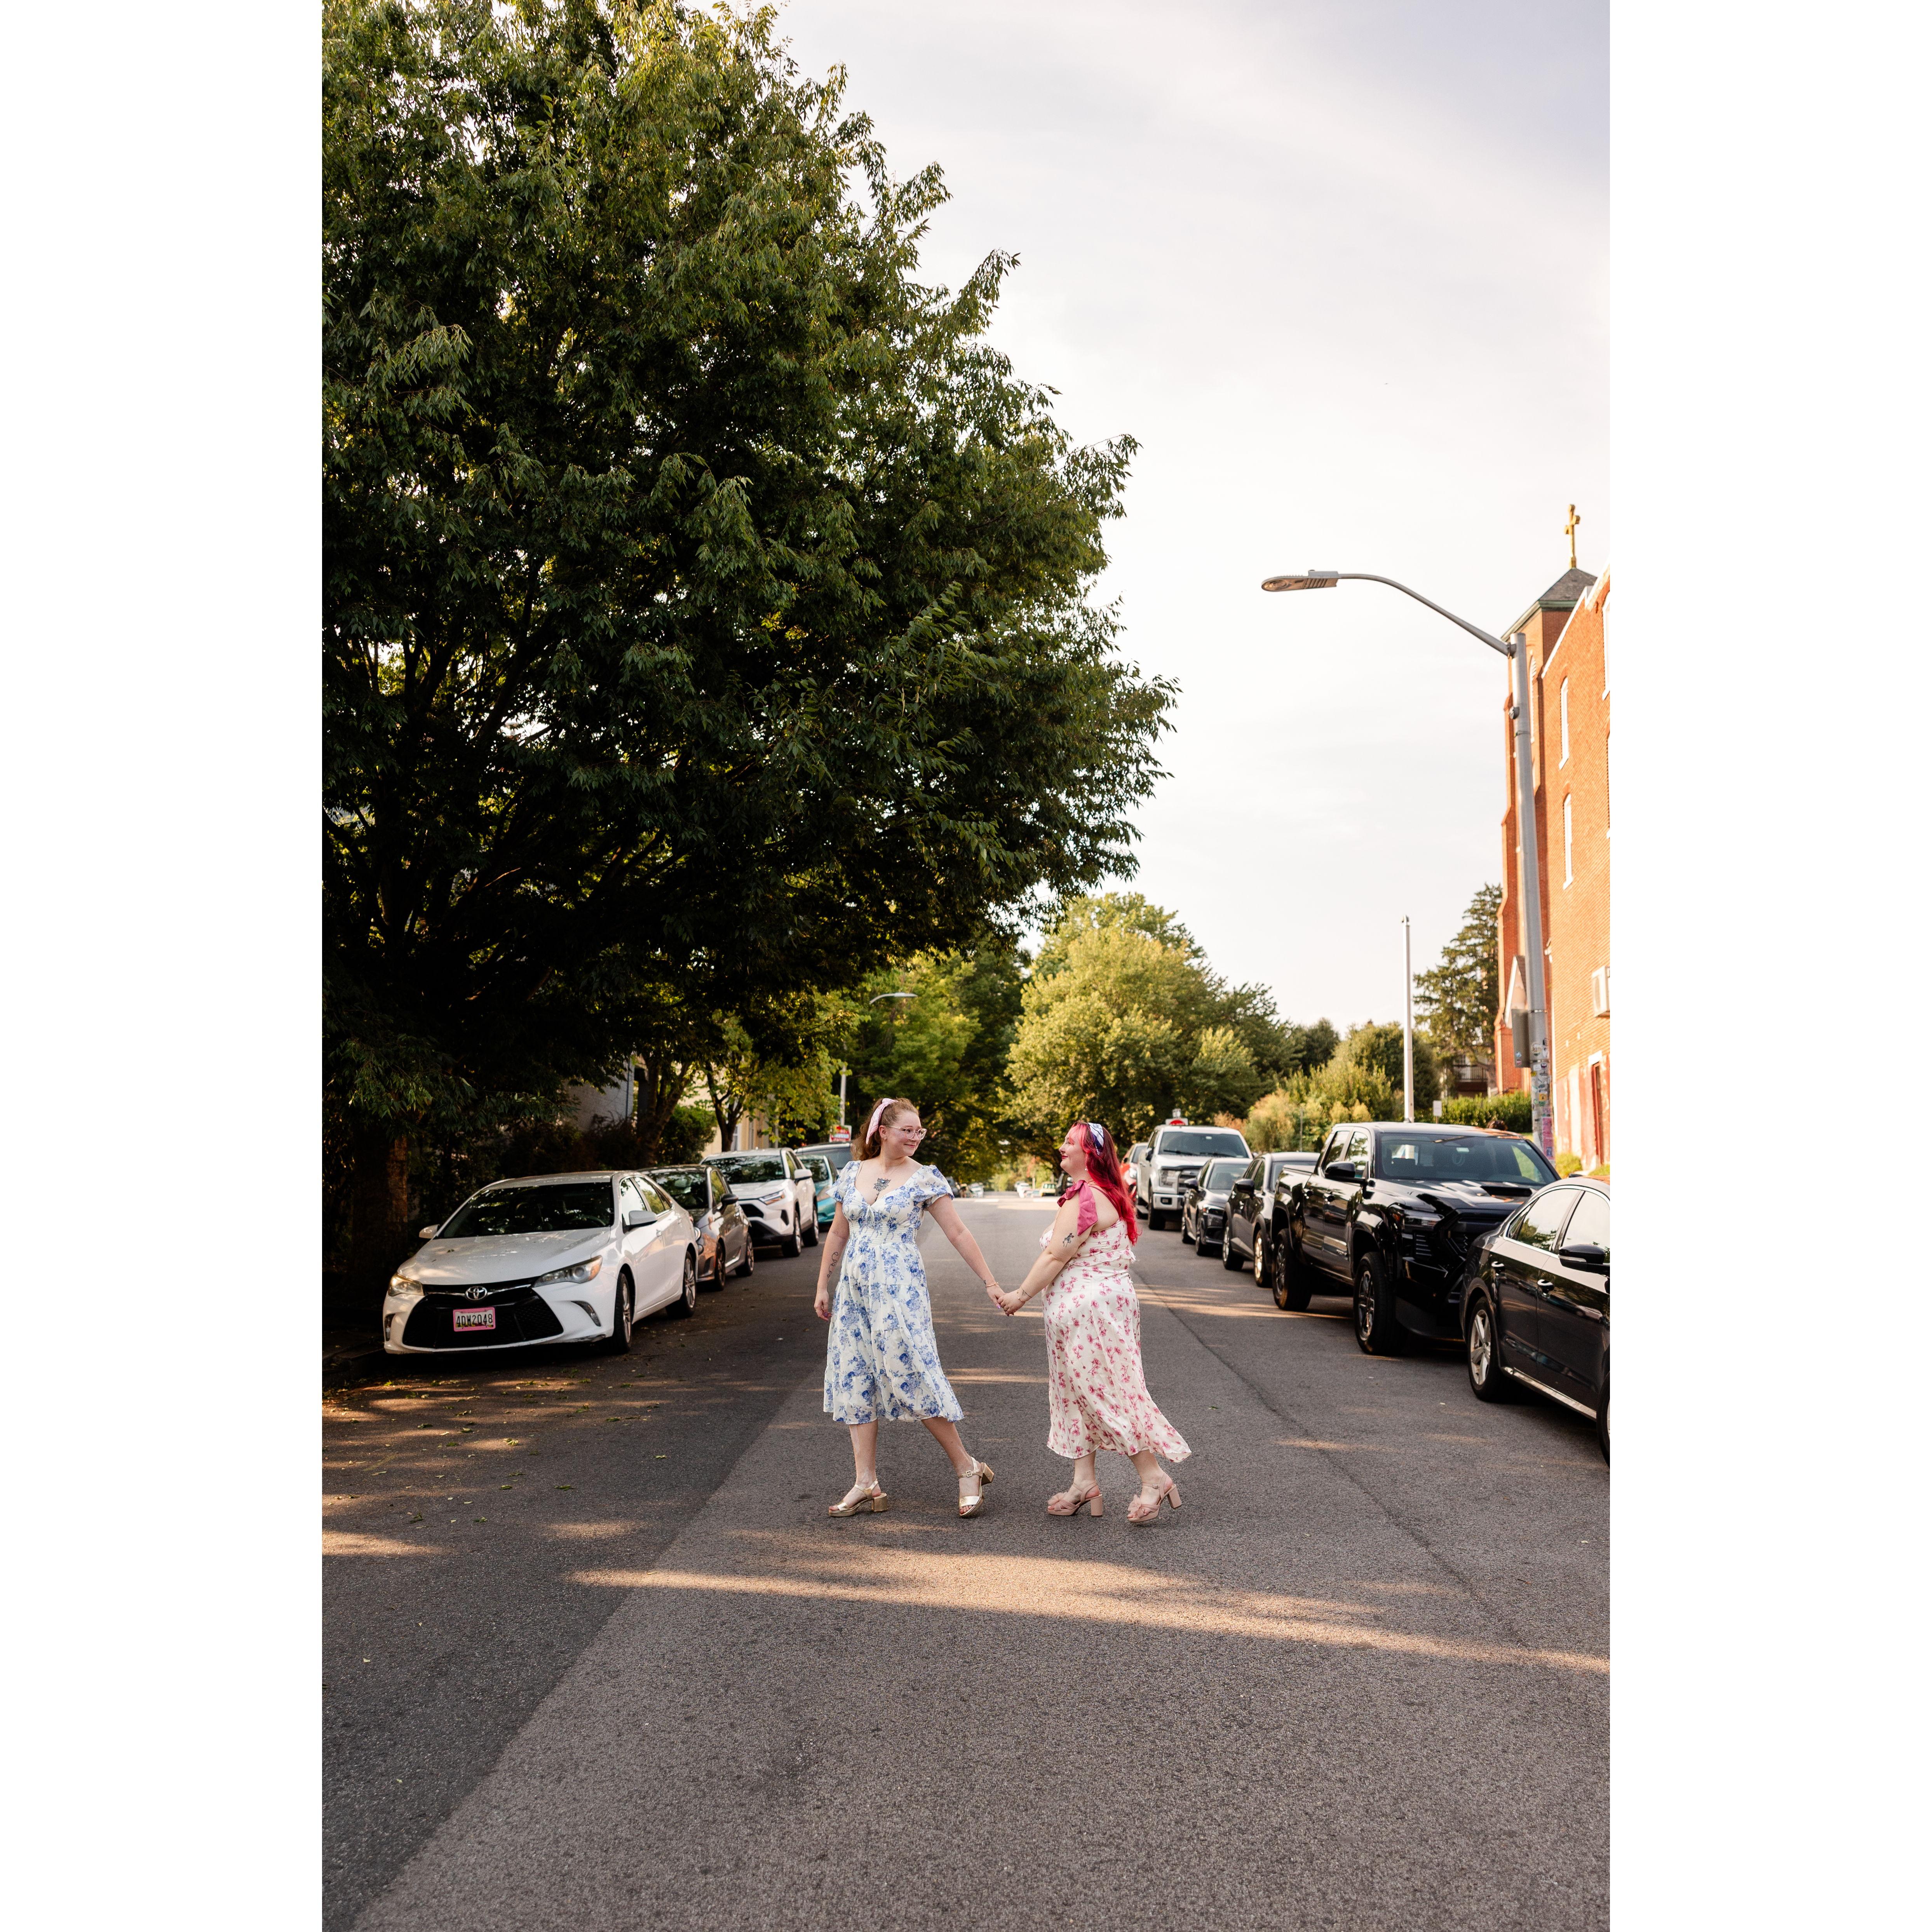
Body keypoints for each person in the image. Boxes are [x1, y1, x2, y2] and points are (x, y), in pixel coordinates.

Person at [991, 1120, 1190, 1524]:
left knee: (1105, 1393)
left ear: (1091, 1154)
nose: (1062, 1147)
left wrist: (1019, 1296)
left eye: (1071, 1142)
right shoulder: (1104, 1193)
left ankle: (1153, 1478)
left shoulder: (1086, 1198)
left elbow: (1055, 1256)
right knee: (1075, 1393)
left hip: (1091, 1314)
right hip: (1086, 1312)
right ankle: (1084, 1483)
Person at [814, 1097, 1004, 1519]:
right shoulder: (852, 1173)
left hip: (899, 1291)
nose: (916, 1136)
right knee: (855, 1377)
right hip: (854, 1292)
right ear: (883, 1131)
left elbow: (958, 1232)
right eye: (908, 1130)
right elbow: (838, 1234)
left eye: (920, 1131)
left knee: (911, 1374)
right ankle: (866, 1483)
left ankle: (967, 1467)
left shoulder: (924, 1178)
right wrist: (822, 1285)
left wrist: (990, 1281)